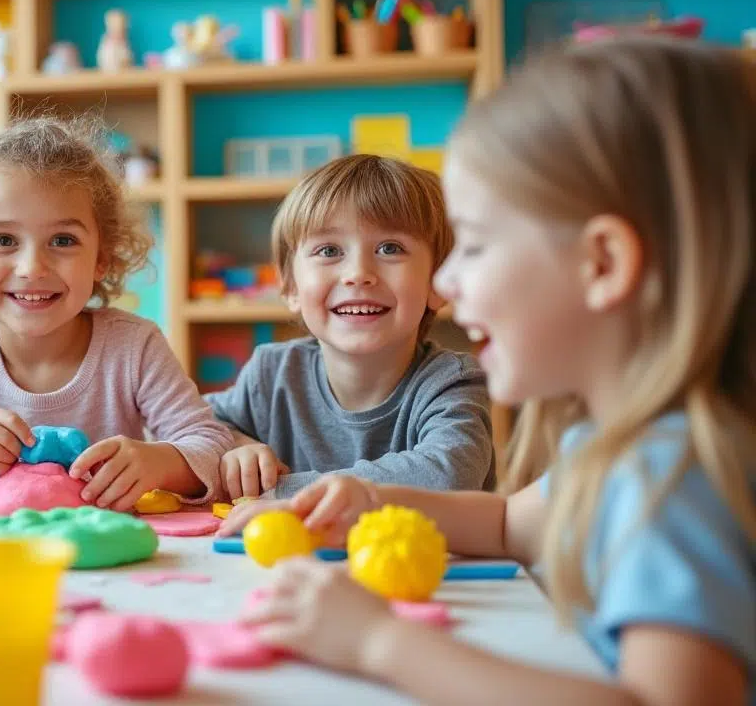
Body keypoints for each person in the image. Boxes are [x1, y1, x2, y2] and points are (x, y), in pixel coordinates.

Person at [224, 38, 756, 705]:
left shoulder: (674, 478)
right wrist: (365, 500)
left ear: (602, 264)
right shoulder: (614, 447)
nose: (445, 282)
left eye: (473, 245)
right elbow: (505, 524)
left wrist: (378, 643)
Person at [0, 117, 234, 510]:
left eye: (62, 240)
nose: (32, 267)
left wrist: (159, 463)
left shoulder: (134, 344)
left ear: (102, 259)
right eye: (3, 239)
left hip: (108, 543)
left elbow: (215, 449)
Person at [206, 154, 494, 500]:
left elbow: (448, 475)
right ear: (291, 287)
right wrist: (239, 445)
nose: (358, 273)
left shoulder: (451, 383)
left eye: (390, 248)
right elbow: (191, 425)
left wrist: (278, 490)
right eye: (329, 251)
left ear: (439, 280)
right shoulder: (272, 373)